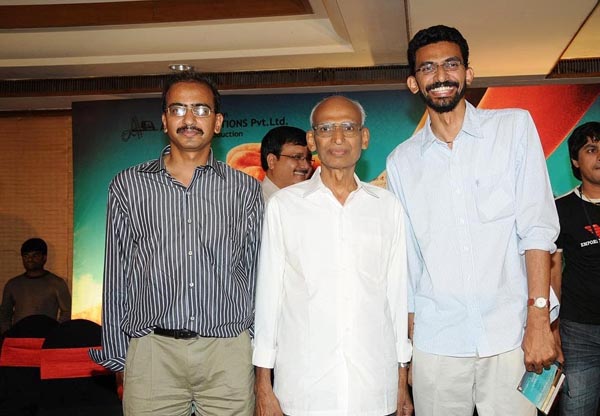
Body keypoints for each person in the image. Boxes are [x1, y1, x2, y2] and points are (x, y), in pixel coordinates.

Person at [386, 25, 559, 416]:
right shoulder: (401, 162)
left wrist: (539, 319)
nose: (441, 75)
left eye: (451, 64)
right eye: (427, 68)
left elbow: (537, 229)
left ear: (468, 73)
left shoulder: (513, 128)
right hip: (437, 341)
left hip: (511, 333)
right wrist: (406, 355)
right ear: (414, 83)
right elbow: (408, 262)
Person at [89, 71, 264, 416]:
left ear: (217, 122)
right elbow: (116, 274)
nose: (189, 119)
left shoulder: (245, 189)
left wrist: (259, 352)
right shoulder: (128, 185)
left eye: (201, 109)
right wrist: (118, 354)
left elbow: (257, 272)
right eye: (178, 109)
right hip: (153, 353)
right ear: (164, 120)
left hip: (228, 352)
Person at [253, 95, 413, 416]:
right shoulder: (284, 206)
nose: (338, 138)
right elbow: (268, 300)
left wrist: (401, 380)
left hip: (373, 387)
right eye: (326, 128)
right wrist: (263, 385)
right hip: (303, 390)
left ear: (364, 138)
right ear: (312, 141)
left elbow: (396, 299)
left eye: (348, 128)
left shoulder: (387, 207)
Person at [551, 121, 600, 416]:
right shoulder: (560, 209)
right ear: (575, 161)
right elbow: (553, 272)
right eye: (591, 149)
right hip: (579, 334)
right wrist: (552, 327)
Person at [0, 238, 71, 334]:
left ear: (44, 257)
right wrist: (7, 333)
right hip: (18, 337)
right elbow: (5, 313)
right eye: (26, 256)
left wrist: (55, 332)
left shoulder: (57, 283)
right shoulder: (13, 284)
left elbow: (67, 312)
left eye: (35, 255)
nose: (30, 259)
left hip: (47, 337)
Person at [259, 125, 313, 201]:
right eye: (297, 157)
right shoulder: (250, 202)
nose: (306, 166)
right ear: (271, 161)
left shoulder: (311, 201)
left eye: (308, 159)